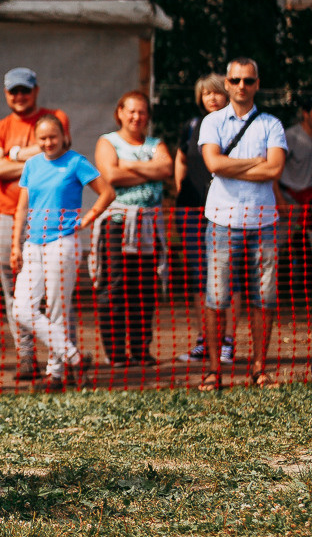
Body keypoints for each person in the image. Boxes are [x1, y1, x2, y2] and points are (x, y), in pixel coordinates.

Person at [196, 58, 286, 391]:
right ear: (227, 83)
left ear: (257, 84)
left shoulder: (271, 124)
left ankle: (259, 368)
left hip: (263, 222)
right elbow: (213, 163)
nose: (241, 86)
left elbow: (274, 169)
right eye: (235, 80)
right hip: (222, 220)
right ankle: (213, 370)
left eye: (248, 80)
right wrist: (255, 162)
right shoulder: (212, 121)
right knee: (216, 298)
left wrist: (230, 165)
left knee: (265, 298)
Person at [10, 115, 114, 392]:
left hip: (62, 242)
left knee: (58, 309)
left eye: (52, 137)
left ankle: (55, 375)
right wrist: (15, 244)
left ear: (63, 135)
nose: (48, 142)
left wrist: (87, 219)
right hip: (32, 243)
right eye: (42, 138)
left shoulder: (76, 162)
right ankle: (75, 357)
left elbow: (107, 193)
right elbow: (22, 207)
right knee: (21, 309)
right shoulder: (31, 165)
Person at [0, 68, 72, 382]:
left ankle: (63, 357)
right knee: (14, 290)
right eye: (14, 91)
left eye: (25, 90)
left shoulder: (55, 117)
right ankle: (25, 356)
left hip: (52, 216)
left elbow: (61, 148)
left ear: (35, 90)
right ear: (6, 94)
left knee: (56, 290)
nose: (19, 96)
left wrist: (13, 156)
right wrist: (36, 156)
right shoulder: (0, 128)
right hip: (9, 216)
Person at [92, 91, 172, 368]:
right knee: (114, 285)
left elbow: (166, 169)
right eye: (131, 111)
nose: (136, 117)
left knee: (145, 287)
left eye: (142, 112)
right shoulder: (107, 142)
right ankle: (115, 352)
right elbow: (111, 175)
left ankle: (140, 349)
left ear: (148, 116)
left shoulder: (156, 143)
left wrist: (128, 165)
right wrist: (150, 169)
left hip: (148, 224)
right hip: (117, 223)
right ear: (120, 113)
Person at [175, 75, 236, 363]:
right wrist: (181, 188)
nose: (211, 98)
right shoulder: (191, 126)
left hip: (226, 210)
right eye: (206, 93)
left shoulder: (236, 125)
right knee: (200, 276)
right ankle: (205, 339)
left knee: (228, 276)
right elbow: (181, 158)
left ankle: (227, 341)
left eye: (217, 92)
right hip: (191, 210)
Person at [277, 97, 312, 298]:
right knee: (278, 244)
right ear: (305, 113)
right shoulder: (291, 136)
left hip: (309, 199)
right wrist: (279, 197)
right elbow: (275, 169)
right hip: (289, 198)